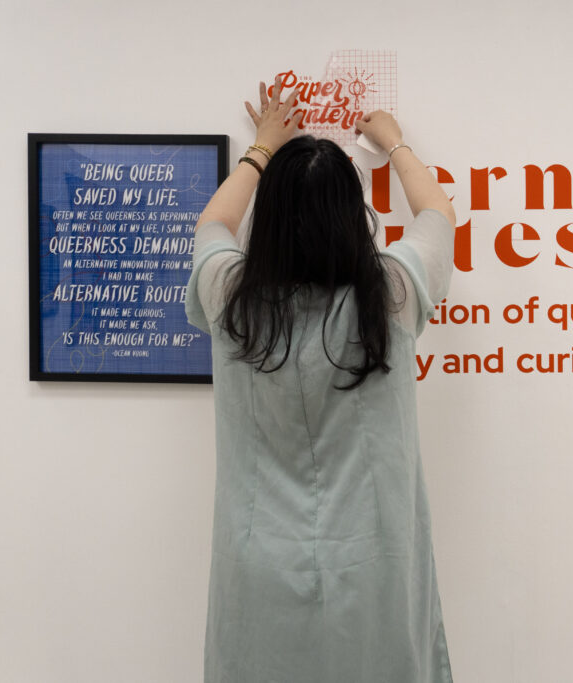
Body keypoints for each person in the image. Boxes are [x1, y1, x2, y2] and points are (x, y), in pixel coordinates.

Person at [185, 76, 457, 683]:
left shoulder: (232, 299)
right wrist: (395, 144)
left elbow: (212, 226)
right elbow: (439, 214)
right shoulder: (390, 294)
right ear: (351, 214)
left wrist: (261, 149)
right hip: (373, 562)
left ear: (272, 219)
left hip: (257, 562)